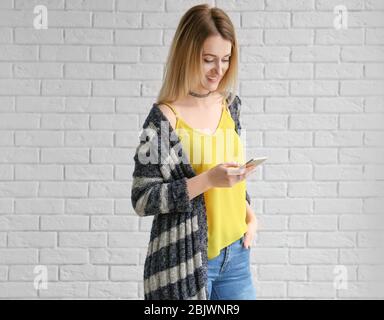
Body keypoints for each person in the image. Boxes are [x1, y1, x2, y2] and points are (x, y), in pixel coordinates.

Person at [131, 4, 258, 300]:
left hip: (237, 256)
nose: (219, 70)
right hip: (188, 261)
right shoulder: (163, 119)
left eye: (226, 59)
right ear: (187, 55)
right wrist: (207, 180)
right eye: (208, 59)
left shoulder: (230, 105)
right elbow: (141, 198)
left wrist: (250, 216)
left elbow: (232, 180)